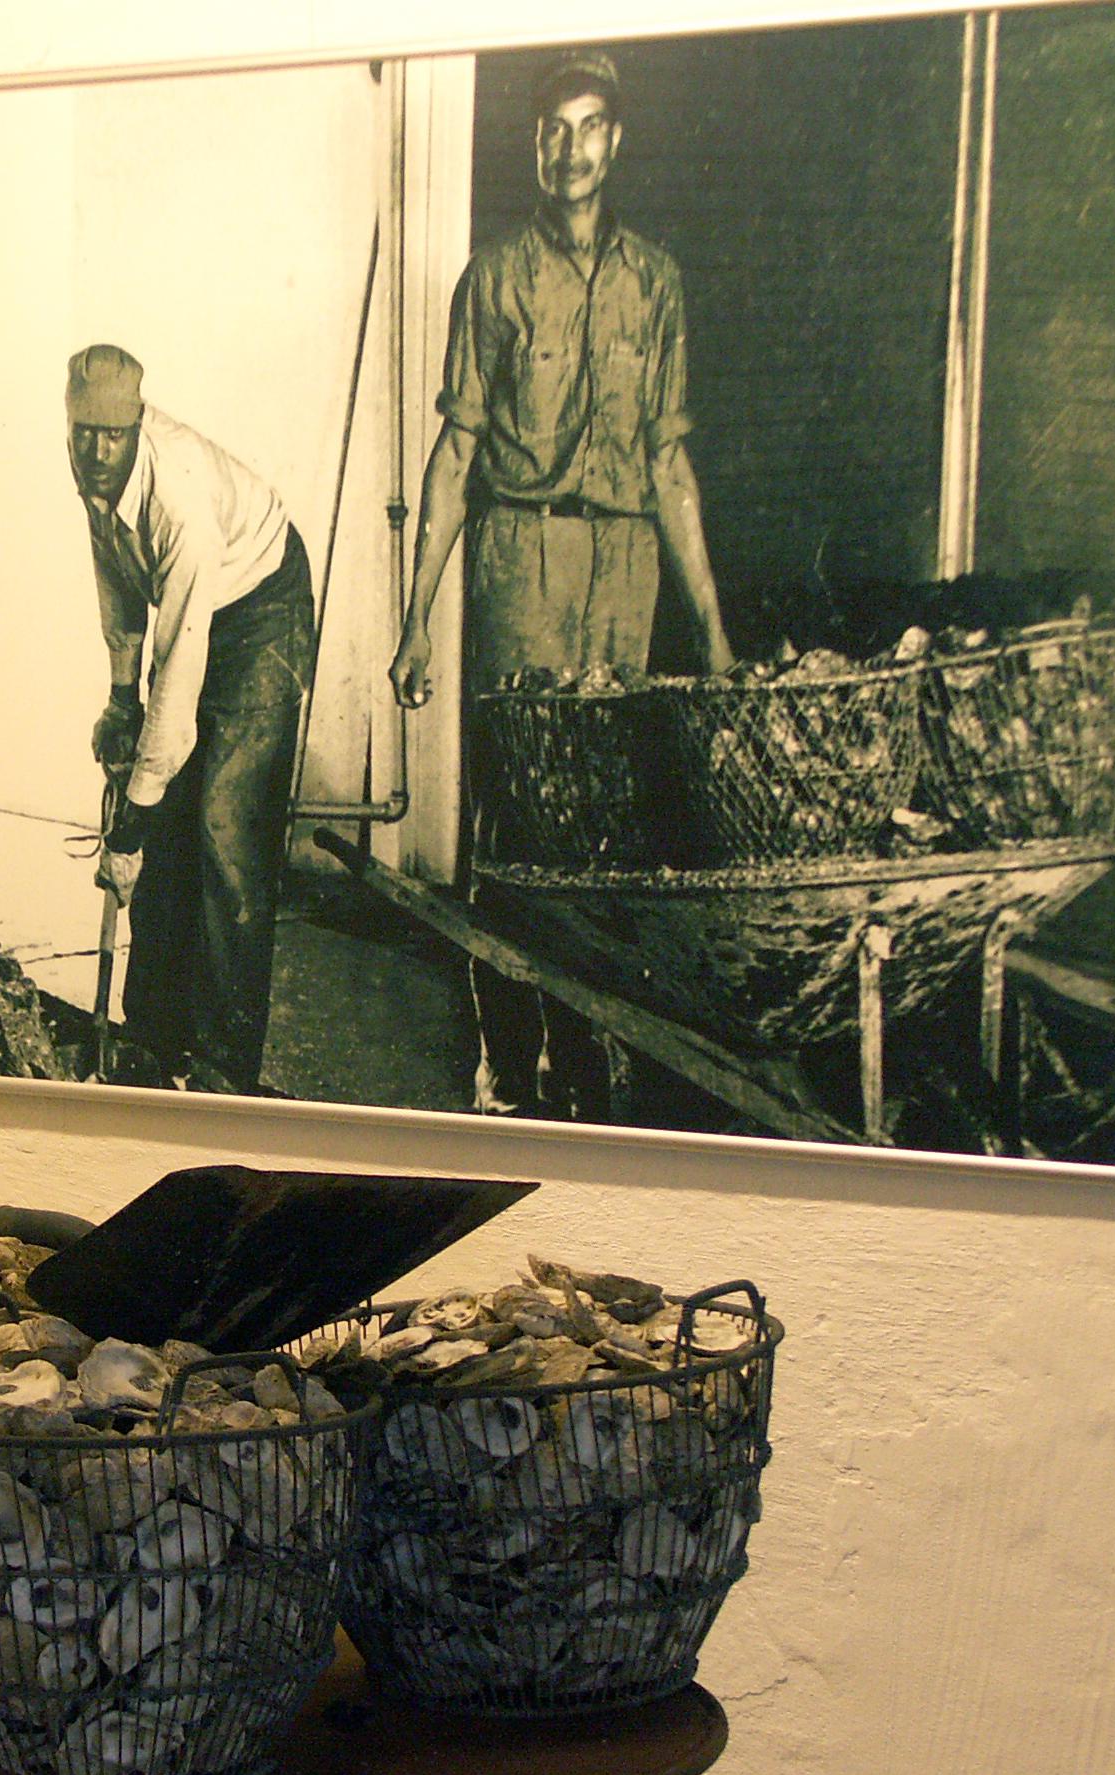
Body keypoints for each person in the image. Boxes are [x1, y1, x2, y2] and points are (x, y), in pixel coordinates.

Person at [390, 51, 734, 1120]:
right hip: (520, 557)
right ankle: (505, 1056)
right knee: (516, 815)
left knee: (607, 816)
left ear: (615, 142)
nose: (570, 149)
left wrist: (714, 636)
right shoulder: (493, 280)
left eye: (589, 128)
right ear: (534, 146)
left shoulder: (657, 283)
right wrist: (415, 624)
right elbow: (454, 458)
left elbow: (671, 466)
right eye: (553, 131)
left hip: (623, 566)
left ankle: (589, 1062)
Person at [71, 344, 315, 1094]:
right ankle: (151, 1039)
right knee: (171, 822)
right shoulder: (88, 467)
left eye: (115, 436)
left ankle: (221, 1069)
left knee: (222, 828)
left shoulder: (178, 497)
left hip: (262, 603)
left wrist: (127, 834)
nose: (98, 451)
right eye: (85, 432)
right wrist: (119, 693)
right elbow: (114, 571)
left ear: (140, 424)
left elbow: (176, 693)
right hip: (199, 605)